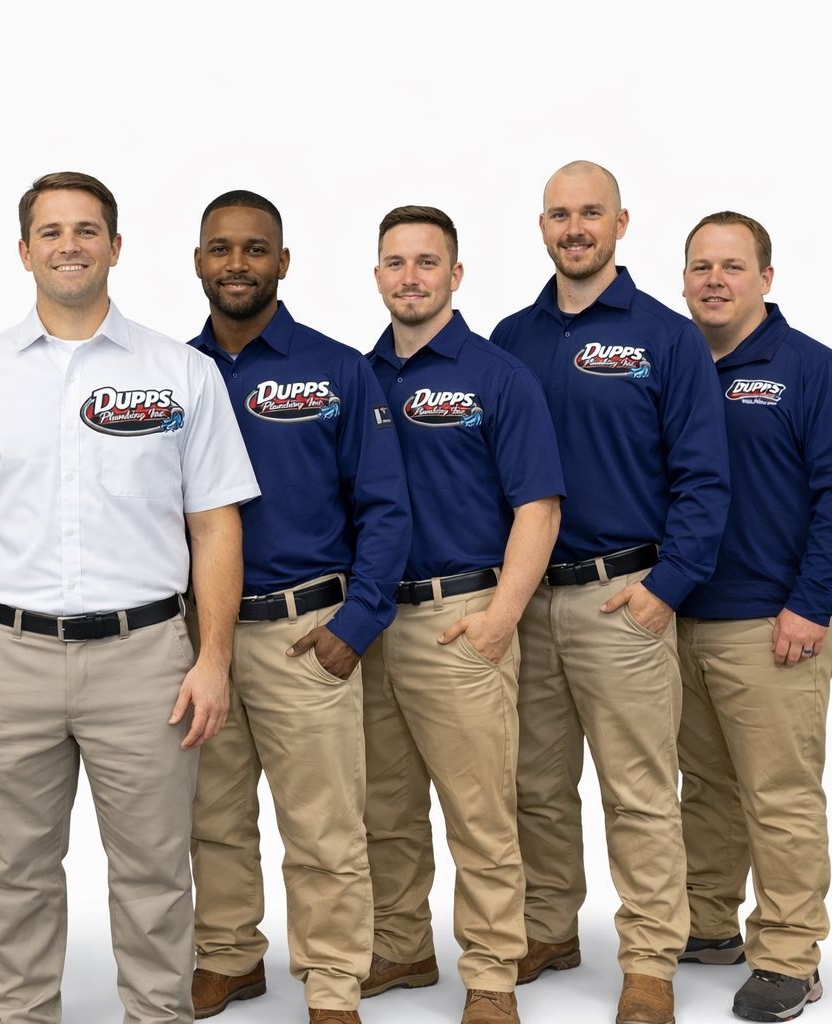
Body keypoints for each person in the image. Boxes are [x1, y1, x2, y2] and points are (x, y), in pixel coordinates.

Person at [0, 171, 259, 1024]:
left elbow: (215, 526)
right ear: (25, 251)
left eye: (88, 229)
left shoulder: (181, 372)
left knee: (152, 873)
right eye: (53, 230)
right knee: (14, 872)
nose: (70, 244)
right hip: (9, 659)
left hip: (145, 662)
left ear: (115, 246)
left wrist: (212, 658)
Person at [490, 161, 730, 1024]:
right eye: (560, 213)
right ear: (542, 225)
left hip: (622, 595)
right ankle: (549, 927)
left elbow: (706, 480)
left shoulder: (665, 338)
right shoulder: (509, 339)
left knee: (636, 788)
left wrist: (665, 589)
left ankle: (650, 959)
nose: (575, 226)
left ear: (622, 224)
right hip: (527, 601)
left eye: (591, 212)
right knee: (534, 783)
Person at [184, 190, 410, 1024]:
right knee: (212, 814)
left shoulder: (338, 368)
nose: (236, 263)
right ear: (198, 262)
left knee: (324, 826)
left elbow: (387, 506)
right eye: (220, 248)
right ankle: (230, 956)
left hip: (303, 631)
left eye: (254, 249)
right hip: (199, 636)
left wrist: (357, 623)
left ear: (283, 262)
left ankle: (334, 981)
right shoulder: (173, 373)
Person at [362, 206, 564, 1024]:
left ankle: (489, 974)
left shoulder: (496, 375)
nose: (410, 277)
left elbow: (539, 507)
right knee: (384, 806)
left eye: (426, 262)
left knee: (481, 811)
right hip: (371, 623)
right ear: (377, 275)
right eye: (395, 262)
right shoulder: (356, 375)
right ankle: (401, 946)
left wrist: (501, 617)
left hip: (462, 619)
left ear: (455, 275)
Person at [674, 211, 832, 1022]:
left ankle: (788, 954)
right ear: (683, 281)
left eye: (732, 266)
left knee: (779, 793)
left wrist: (810, 605)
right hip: (679, 618)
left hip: (772, 621)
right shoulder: (673, 366)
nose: (715, 280)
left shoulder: (811, 371)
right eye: (701, 267)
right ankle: (709, 925)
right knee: (705, 788)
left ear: (766, 279)